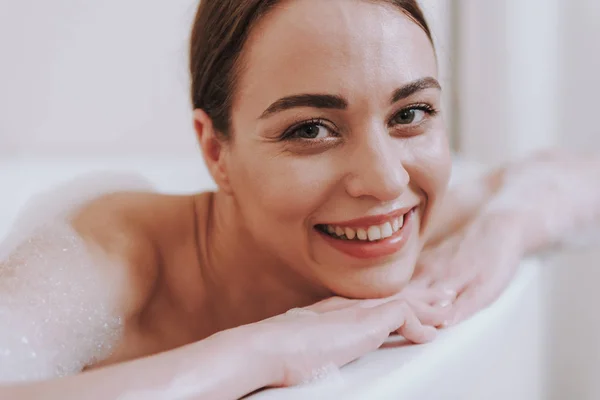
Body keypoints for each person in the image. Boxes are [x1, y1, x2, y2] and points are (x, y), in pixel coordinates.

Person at [1, 0, 599, 398]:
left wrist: (510, 228)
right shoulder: (104, 259)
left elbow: (572, 178)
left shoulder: (421, 219)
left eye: (410, 113)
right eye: (310, 129)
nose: (387, 181)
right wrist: (274, 347)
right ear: (215, 151)